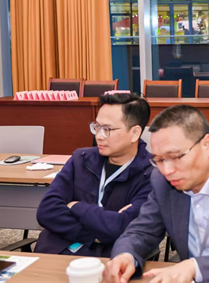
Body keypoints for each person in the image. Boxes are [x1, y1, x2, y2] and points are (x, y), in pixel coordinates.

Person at [104, 105, 209, 283]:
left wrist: (195, 267)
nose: (167, 170)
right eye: (160, 160)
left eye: (176, 157)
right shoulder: (162, 180)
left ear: (206, 145)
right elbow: (142, 231)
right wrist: (126, 255)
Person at [35, 93, 152, 257]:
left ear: (134, 133)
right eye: (96, 127)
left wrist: (75, 207)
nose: (98, 136)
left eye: (107, 129)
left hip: (109, 260)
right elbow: (46, 211)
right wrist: (94, 235)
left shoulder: (151, 174)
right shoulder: (80, 159)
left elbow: (122, 227)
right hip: (56, 252)